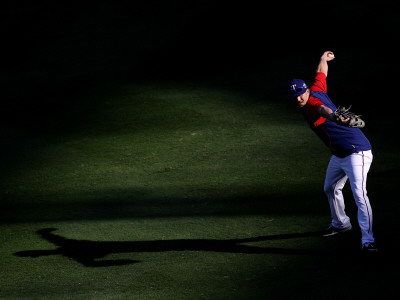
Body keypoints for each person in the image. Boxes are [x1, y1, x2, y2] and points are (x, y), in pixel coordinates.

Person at [287, 51, 377, 252]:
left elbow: (323, 110)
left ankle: (368, 240)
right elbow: (321, 73)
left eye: (300, 93)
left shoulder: (312, 102)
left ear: (306, 90)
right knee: (330, 188)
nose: (298, 98)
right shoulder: (316, 88)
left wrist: (336, 117)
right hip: (340, 154)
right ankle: (341, 223)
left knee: (360, 195)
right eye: (294, 96)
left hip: (357, 152)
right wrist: (323, 59)